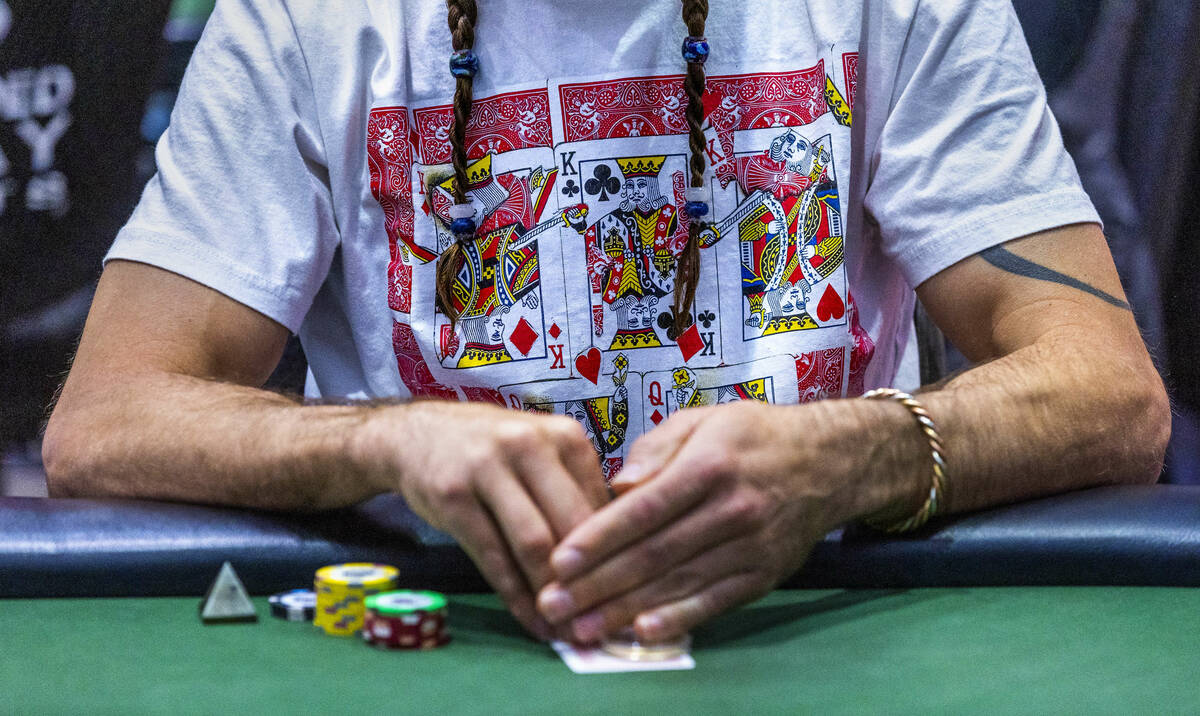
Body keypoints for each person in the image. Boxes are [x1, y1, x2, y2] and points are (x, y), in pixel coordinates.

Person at [43, 0, 1169, 647]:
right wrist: (384, 439)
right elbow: (104, 421)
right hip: (458, 629)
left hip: (820, 620)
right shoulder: (308, 15)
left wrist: (850, 452)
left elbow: (1110, 394)